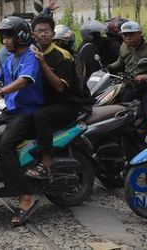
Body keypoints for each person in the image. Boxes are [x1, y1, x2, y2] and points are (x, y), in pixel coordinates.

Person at [0, 16, 44, 227]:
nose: (4, 40)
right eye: (3, 36)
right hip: (11, 110)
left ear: (20, 37)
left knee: (5, 145)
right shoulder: (9, 59)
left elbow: (23, 81)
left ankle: (25, 197)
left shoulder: (30, 57)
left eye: (8, 36)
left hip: (27, 112)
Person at [27, 16, 93, 179]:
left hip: (69, 103)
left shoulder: (62, 56)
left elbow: (59, 87)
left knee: (41, 116)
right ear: (32, 34)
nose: (43, 34)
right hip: (48, 101)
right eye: (39, 31)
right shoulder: (31, 52)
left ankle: (46, 161)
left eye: (47, 31)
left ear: (53, 33)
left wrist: (43, 65)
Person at [106, 21, 147, 121]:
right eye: (124, 35)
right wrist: (108, 68)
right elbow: (120, 62)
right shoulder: (123, 46)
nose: (127, 37)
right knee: (117, 114)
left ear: (140, 34)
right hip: (130, 86)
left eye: (131, 34)